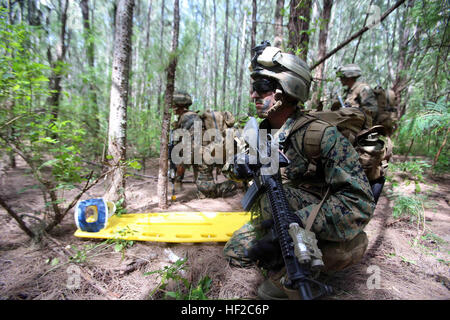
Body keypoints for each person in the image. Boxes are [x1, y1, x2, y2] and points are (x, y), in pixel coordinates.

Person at [222, 42, 376, 299]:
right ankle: (280, 249)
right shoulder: (259, 130)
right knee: (236, 251)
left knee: (279, 280)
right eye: (254, 88)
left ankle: (305, 264)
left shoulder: (320, 136)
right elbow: (233, 167)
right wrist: (238, 166)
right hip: (271, 214)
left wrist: (301, 223)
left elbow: (359, 202)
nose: (253, 95)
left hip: (307, 217)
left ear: (286, 90)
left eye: (262, 88)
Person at [171, 91, 237, 198]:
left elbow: (192, 146)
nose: (172, 107)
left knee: (206, 192)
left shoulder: (189, 118)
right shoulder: (185, 117)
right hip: (202, 156)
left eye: (174, 104)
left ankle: (234, 185)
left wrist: (180, 170)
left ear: (178, 104)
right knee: (202, 189)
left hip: (204, 158)